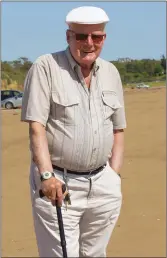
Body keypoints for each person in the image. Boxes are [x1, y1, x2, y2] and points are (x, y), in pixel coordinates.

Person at [21, 5, 127, 257]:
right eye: (81, 36)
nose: (89, 43)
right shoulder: (46, 67)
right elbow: (37, 126)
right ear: (69, 36)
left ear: (104, 38)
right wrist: (46, 176)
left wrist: (114, 175)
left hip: (103, 184)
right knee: (61, 254)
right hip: (59, 183)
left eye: (96, 36)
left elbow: (118, 128)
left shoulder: (111, 72)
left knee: (95, 254)